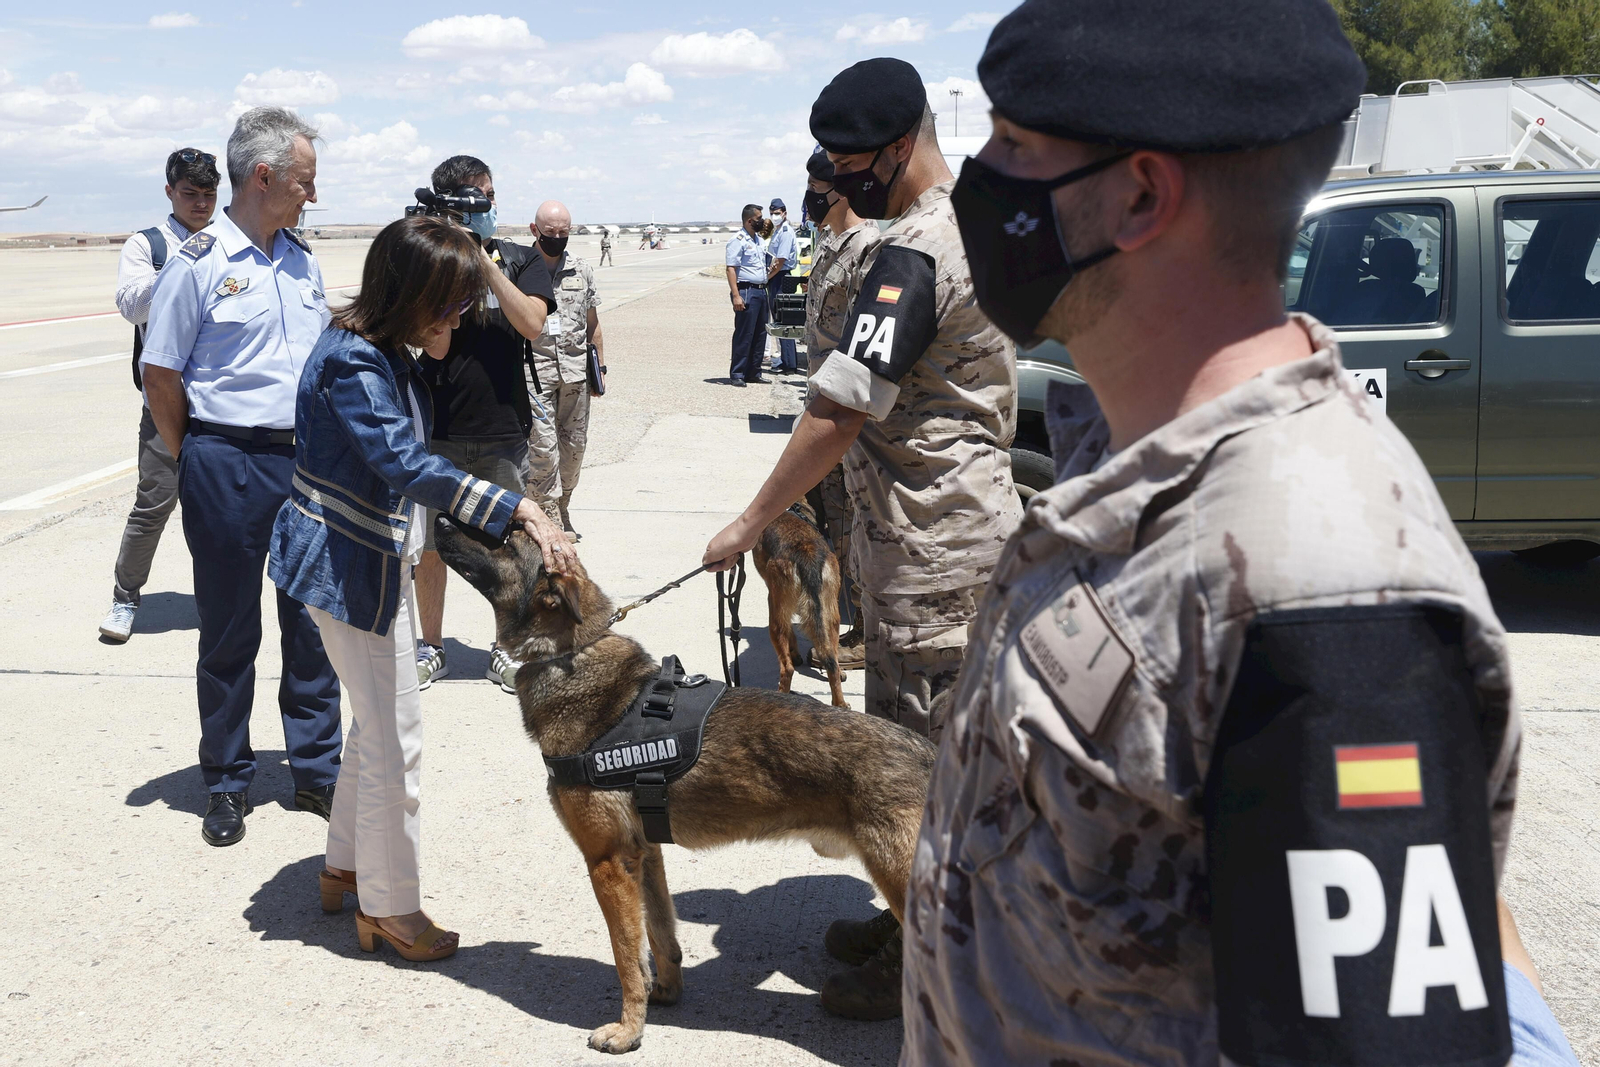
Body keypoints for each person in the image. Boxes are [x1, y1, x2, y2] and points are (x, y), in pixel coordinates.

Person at [902, 4, 1524, 1065]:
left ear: (1139, 195)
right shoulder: (1124, 443)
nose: (977, 173)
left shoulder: (1321, 582)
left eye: (1012, 145)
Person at [702, 58, 1023, 1018]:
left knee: (930, 768)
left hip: (937, 551)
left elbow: (842, 408)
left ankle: (939, 967)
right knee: (907, 752)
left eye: (849, 168)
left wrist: (751, 522)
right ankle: (910, 916)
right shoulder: (968, 223)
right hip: (922, 545)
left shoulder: (918, 251)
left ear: (898, 147)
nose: (838, 186)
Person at [270, 214, 574, 963]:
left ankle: (345, 863)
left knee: (375, 726)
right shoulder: (358, 364)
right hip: (346, 569)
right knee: (397, 737)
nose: (462, 318)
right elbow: (406, 464)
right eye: (452, 304)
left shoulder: (380, 348)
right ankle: (391, 905)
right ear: (414, 297)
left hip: (362, 561)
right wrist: (517, 506)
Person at [140, 107, 342, 847]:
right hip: (225, 460)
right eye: (305, 181)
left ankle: (318, 770)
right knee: (229, 629)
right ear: (265, 177)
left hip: (305, 462)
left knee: (312, 624)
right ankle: (227, 779)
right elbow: (160, 373)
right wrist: (193, 451)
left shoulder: (302, 259)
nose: (312, 196)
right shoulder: (197, 263)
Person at [409, 155, 555, 695]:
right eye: (475, 198)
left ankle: (505, 647)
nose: (487, 207)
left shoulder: (519, 259)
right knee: (429, 545)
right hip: (437, 425)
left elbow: (534, 324)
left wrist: (485, 261)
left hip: (501, 427)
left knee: (509, 547)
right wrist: (447, 263)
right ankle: (432, 645)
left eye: (489, 197)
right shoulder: (428, 259)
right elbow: (435, 343)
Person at [99, 147, 218, 643]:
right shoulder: (147, 245)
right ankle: (125, 596)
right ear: (170, 192)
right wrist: (181, 264)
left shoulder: (231, 240)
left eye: (209, 194)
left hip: (220, 407)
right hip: (166, 405)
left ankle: (219, 596)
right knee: (153, 505)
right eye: (190, 194)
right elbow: (131, 306)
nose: (201, 204)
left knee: (218, 511)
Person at [800, 147, 878, 672]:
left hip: (847, 416)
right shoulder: (830, 245)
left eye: (815, 187)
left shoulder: (868, 248)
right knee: (832, 521)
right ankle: (839, 619)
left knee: (854, 525)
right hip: (821, 405)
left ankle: (866, 632)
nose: (808, 196)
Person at [529, 199, 605, 540]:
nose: (557, 238)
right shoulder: (521, 268)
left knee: (573, 451)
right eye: (550, 232)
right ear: (535, 230)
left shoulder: (582, 269)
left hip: (575, 375)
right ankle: (546, 516)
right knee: (543, 450)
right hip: (533, 374)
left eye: (564, 232)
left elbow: (593, 325)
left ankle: (563, 506)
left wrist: (599, 370)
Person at [723, 204, 770, 386]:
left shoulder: (758, 240)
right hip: (747, 290)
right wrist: (736, 295)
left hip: (760, 290)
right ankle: (738, 374)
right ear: (750, 220)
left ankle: (754, 372)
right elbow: (731, 269)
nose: (762, 221)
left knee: (760, 334)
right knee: (745, 334)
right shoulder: (738, 240)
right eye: (759, 218)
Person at [765, 197, 800, 375]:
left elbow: (780, 261)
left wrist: (767, 277)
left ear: (784, 213)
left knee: (784, 321)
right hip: (776, 277)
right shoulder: (777, 230)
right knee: (779, 321)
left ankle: (789, 364)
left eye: (777, 213)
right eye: (771, 213)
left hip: (781, 277)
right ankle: (786, 361)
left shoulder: (785, 232)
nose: (774, 216)